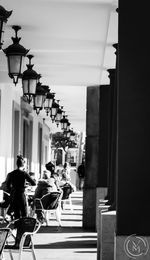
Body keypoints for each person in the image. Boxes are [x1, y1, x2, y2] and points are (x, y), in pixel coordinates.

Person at [5, 155, 36, 220]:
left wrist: (13, 189)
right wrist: (25, 186)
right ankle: (23, 228)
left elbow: (7, 186)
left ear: (17, 164)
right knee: (24, 212)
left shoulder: (11, 174)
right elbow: (33, 183)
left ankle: (17, 228)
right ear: (23, 165)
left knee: (16, 214)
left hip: (14, 195)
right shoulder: (24, 173)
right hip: (21, 194)